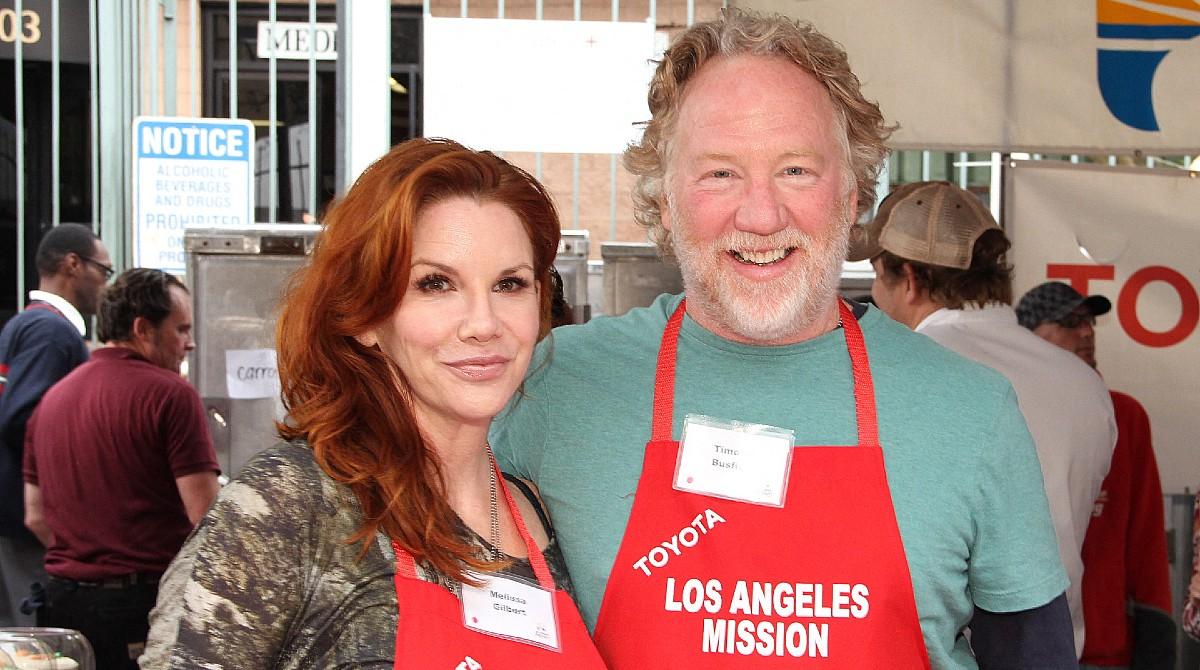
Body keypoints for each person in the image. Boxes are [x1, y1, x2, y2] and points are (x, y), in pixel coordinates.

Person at [491, 10, 1075, 668]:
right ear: (664, 198)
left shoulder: (973, 413)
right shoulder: (550, 389)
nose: (761, 215)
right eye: (719, 173)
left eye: (797, 170)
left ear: (852, 194)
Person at [140, 138, 606, 668]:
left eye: (509, 284)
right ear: (365, 317)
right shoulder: (291, 507)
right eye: (435, 284)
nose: (484, 324)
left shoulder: (544, 517)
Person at [853, 181, 1118, 657]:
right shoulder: (1085, 383)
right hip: (1053, 646)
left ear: (909, 278)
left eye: (876, 274)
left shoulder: (894, 375)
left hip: (937, 652)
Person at [21, 268, 218, 670]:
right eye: (181, 330)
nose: (190, 343)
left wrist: (91, 553)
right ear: (143, 329)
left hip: (65, 608)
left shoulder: (51, 401)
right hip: (143, 606)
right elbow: (207, 518)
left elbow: (35, 515)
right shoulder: (171, 395)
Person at [1017, 280, 1175, 669]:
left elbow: (1146, 538)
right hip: (1024, 645)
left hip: (1108, 649)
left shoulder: (1124, 416)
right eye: (1070, 322)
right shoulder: (1006, 413)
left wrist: (1157, 633)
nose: (1086, 332)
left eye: (1089, 322)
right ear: (1029, 339)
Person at [0, 223, 111, 626]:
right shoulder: (51, 331)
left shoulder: (28, 323)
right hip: (27, 519)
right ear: (73, 265)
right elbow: (20, 416)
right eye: (104, 270)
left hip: (16, 514)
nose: (105, 283)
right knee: (34, 640)